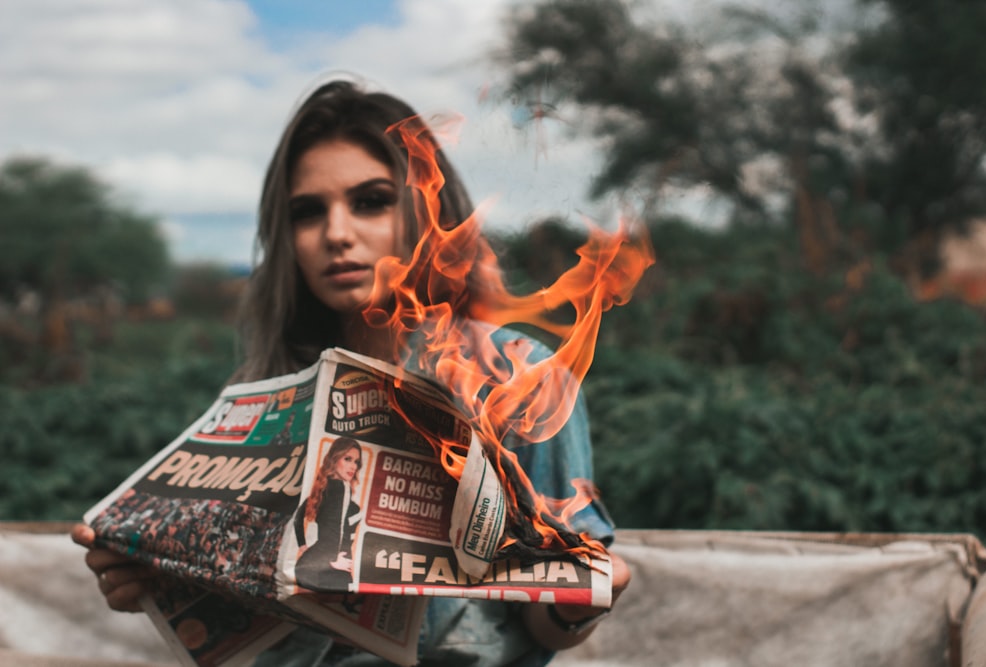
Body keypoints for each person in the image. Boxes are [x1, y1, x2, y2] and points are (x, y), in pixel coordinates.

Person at [72, 77, 631, 666]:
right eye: (308, 212)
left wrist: (579, 603)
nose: (336, 234)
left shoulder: (517, 377)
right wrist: (154, 581)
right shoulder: (263, 390)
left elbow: (547, 625)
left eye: (370, 201)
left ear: (427, 212)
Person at [293, 437, 363, 592]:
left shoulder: (326, 488)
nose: (353, 466)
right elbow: (335, 532)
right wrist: (332, 561)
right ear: (334, 459)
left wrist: (304, 547)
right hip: (327, 567)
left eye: (356, 462)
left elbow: (298, 519)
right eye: (348, 459)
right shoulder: (338, 489)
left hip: (318, 566)